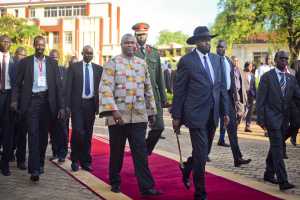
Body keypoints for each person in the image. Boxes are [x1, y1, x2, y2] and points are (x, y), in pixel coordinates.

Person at [171, 26, 229, 200]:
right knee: (202, 155)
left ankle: (188, 167)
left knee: (202, 153)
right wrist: (176, 116)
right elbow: (179, 91)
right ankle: (200, 193)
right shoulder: (186, 61)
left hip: (213, 115)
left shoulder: (217, 60)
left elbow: (221, 88)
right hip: (195, 115)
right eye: (203, 40)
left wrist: (225, 112)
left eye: (208, 39)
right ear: (196, 42)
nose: (206, 42)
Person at [99, 34, 161, 196]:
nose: (130, 45)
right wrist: (113, 111)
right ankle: (115, 181)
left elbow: (148, 88)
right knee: (117, 152)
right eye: (127, 43)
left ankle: (147, 187)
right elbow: (105, 88)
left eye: (133, 43)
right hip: (118, 117)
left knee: (140, 152)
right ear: (121, 45)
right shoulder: (112, 63)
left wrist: (152, 112)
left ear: (136, 46)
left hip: (139, 116)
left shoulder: (142, 64)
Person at [11, 35, 65, 182]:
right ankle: (34, 169)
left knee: (42, 137)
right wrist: (15, 100)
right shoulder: (25, 62)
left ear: (45, 46)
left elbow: (58, 87)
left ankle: (40, 163)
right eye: (38, 44)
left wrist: (61, 106)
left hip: (47, 103)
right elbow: (16, 84)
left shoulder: (52, 64)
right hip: (31, 102)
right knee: (33, 134)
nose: (40, 47)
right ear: (34, 45)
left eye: (42, 44)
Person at [256, 51, 300, 191]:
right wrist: (261, 119)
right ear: (275, 60)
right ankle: (283, 180)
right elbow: (260, 100)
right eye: (281, 58)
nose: (284, 61)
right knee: (278, 149)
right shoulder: (266, 77)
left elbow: (297, 96)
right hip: (271, 119)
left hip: (285, 120)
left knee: (276, 145)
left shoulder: (291, 79)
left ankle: (268, 173)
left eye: (286, 59)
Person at [133, 22, 167, 154]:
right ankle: (140, 156)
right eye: (139, 35)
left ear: (147, 35)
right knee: (139, 131)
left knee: (159, 127)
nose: (141, 37)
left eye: (144, 35)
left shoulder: (154, 53)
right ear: (135, 35)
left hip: (154, 96)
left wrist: (163, 97)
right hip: (138, 98)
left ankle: (146, 150)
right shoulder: (131, 51)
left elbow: (159, 77)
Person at [66, 45, 102, 172]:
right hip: (77, 105)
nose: (88, 55)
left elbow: (102, 89)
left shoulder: (98, 69)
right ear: (82, 53)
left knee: (88, 134)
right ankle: (75, 159)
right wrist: (67, 106)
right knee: (78, 132)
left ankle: (86, 161)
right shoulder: (74, 67)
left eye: (91, 53)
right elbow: (68, 87)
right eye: (86, 53)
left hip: (91, 105)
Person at [0, 35, 18, 176]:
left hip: (9, 100)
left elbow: (17, 85)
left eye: (8, 41)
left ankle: (5, 164)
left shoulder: (15, 62)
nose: (6, 43)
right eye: (3, 41)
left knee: (8, 133)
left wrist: (14, 100)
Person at [48, 49, 69, 162]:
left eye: (55, 58)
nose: (54, 60)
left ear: (59, 58)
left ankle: (63, 153)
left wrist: (67, 107)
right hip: (50, 107)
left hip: (63, 107)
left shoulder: (64, 71)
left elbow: (68, 89)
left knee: (63, 131)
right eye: (52, 58)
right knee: (52, 131)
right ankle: (55, 152)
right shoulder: (46, 70)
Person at [11, 46, 27, 170]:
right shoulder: (10, 65)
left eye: (24, 55)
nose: (22, 57)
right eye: (20, 55)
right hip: (9, 103)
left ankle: (21, 159)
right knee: (10, 131)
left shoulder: (27, 68)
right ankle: (9, 152)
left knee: (21, 133)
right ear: (15, 55)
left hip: (23, 106)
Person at [215, 40, 231, 147]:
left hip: (227, 94)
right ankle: (205, 152)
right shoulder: (214, 60)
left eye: (221, 47)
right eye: (217, 47)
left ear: (225, 48)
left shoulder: (227, 60)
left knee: (225, 118)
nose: (219, 49)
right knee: (213, 122)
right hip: (216, 95)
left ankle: (221, 139)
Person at [243, 61, 256, 132]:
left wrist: (255, 96)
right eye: (250, 66)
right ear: (246, 66)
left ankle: (247, 125)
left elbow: (254, 87)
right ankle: (237, 123)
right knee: (243, 110)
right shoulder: (242, 73)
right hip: (243, 94)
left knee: (250, 110)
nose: (251, 68)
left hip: (251, 95)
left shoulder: (252, 75)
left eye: (252, 66)